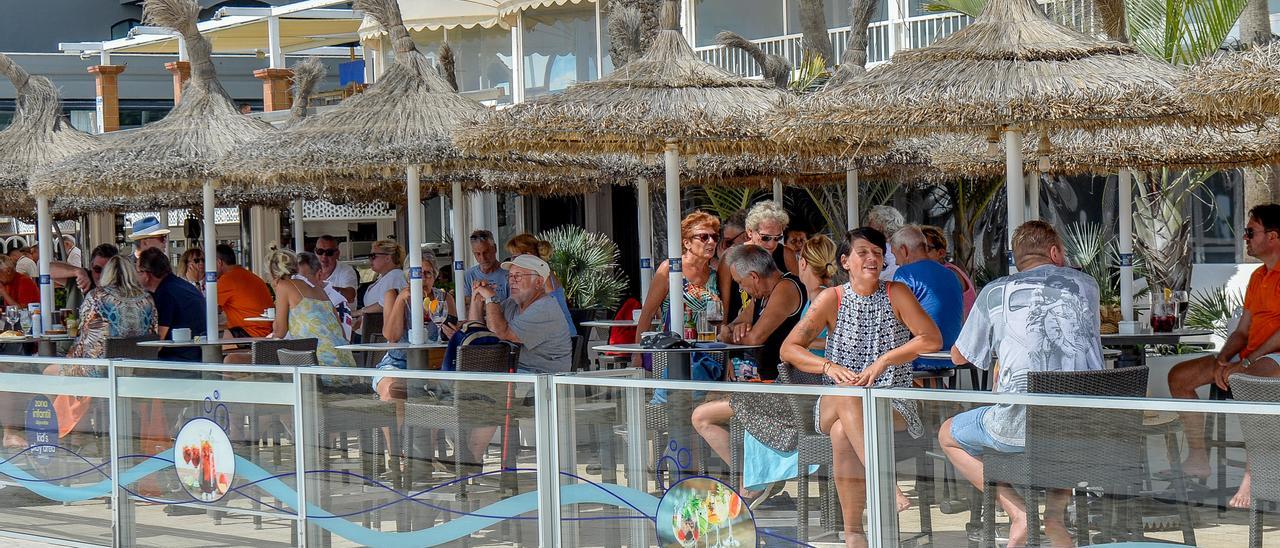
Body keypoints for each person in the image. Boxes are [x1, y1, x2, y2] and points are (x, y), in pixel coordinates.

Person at [938, 220, 1103, 548]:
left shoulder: (995, 292)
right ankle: (1054, 514)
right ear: (1055, 253)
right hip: (1088, 429)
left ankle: (1018, 512)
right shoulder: (1087, 285)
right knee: (1060, 416)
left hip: (1017, 430)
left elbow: (959, 357)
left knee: (947, 434)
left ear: (1017, 258)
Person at [779, 227, 942, 548]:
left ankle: (854, 533)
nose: (872, 258)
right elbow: (789, 349)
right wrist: (828, 366)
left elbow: (931, 338)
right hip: (835, 399)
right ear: (845, 261)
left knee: (842, 432)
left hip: (889, 401)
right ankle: (884, 482)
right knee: (845, 394)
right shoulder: (831, 298)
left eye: (878, 254)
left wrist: (885, 361)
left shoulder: (897, 293)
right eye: (863, 252)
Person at [1169, 204, 1280, 507]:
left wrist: (1245, 363)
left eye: (1250, 231)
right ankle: (1198, 457)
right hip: (1254, 356)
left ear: (1273, 236)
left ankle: (1255, 472)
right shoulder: (1258, 276)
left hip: (1274, 356)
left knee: (1246, 382)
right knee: (1180, 376)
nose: (1245, 238)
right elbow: (1243, 329)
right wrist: (1223, 359)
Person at [692, 243, 808, 500]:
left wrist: (737, 334)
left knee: (702, 416)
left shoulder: (786, 288)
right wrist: (731, 330)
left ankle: (753, 480)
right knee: (707, 400)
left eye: (740, 282)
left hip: (789, 390)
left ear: (754, 276)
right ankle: (757, 476)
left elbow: (755, 337)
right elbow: (732, 326)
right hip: (769, 384)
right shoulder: (761, 296)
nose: (741, 289)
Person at [465, 254, 571, 461]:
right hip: (518, 375)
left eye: (519, 276)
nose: (512, 280)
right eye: (510, 276)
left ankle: (471, 458)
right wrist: (477, 299)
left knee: (489, 392)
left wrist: (491, 299)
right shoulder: (514, 304)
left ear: (539, 282)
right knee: (464, 390)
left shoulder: (545, 308)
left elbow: (502, 332)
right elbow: (477, 328)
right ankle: (465, 456)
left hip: (544, 381)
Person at [45, 256, 156, 438]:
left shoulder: (96, 297)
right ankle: (78, 433)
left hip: (101, 370)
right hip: (136, 369)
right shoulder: (147, 300)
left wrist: (70, 359)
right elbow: (152, 333)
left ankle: (70, 435)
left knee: (48, 372)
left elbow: (86, 341)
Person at [227, 250, 355, 369]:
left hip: (317, 364)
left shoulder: (284, 285)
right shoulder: (318, 289)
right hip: (345, 363)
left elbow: (280, 333)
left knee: (232, 360)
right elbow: (340, 332)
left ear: (272, 274)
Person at [634, 211, 723, 377]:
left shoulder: (715, 273)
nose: (711, 242)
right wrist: (637, 353)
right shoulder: (671, 269)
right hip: (673, 349)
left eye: (715, 237)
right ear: (687, 243)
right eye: (704, 237)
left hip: (709, 352)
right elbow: (647, 313)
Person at [373, 248, 457, 400]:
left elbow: (451, 335)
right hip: (397, 364)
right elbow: (392, 337)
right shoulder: (393, 295)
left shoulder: (444, 298)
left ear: (434, 275)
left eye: (428, 273)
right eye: (417, 274)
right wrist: (400, 301)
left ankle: (431, 423)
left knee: (442, 395)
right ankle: (399, 425)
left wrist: (454, 334)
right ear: (408, 276)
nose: (422, 279)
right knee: (393, 390)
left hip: (434, 366)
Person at [891, 225, 963, 371]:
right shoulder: (950, 274)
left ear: (904, 250)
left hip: (922, 356)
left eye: (895, 255)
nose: (896, 262)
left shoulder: (905, 274)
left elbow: (895, 319)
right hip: (952, 354)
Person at [719, 201, 789, 323]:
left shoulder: (786, 254)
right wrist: (724, 332)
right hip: (737, 330)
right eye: (765, 238)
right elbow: (723, 306)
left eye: (778, 238)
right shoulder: (731, 256)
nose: (772, 244)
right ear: (750, 232)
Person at [136, 248, 206, 362]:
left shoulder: (165, 294)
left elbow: (157, 343)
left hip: (179, 362)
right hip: (198, 356)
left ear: (147, 274)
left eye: (138, 272)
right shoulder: (182, 286)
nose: (136, 277)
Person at [506, 233, 576, 335]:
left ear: (528, 256)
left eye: (514, 257)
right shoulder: (536, 275)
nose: (512, 261)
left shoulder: (544, 277)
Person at [213, 244, 274, 338]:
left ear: (218, 262)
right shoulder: (246, 275)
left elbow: (208, 309)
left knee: (205, 336)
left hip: (251, 332)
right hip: (265, 330)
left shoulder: (228, 279)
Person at [922, 225, 976, 318]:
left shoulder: (948, 274)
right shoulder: (939, 271)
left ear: (941, 253)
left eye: (926, 249)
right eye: (918, 249)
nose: (921, 254)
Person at [296, 251, 352, 339]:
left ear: (319, 275)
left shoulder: (338, 301)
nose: (295, 283)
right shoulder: (294, 298)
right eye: (293, 278)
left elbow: (344, 340)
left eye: (301, 279)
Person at [354, 240, 406, 317]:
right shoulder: (384, 277)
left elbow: (384, 305)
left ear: (388, 258)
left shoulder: (395, 276)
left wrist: (357, 312)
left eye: (373, 256)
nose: (370, 259)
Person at [462, 230, 509, 309]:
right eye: (478, 254)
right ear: (473, 253)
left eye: (486, 252)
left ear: (495, 248)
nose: (482, 258)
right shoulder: (468, 275)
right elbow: (466, 306)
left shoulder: (508, 274)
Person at [313, 235, 358, 303]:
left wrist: (326, 288)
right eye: (320, 251)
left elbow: (350, 295)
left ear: (337, 254)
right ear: (315, 252)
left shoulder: (346, 270)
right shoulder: (310, 270)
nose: (324, 256)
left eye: (329, 252)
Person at [866, 205, 905, 280]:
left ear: (881, 227)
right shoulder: (902, 247)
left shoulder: (883, 249)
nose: (868, 226)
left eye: (871, 223)